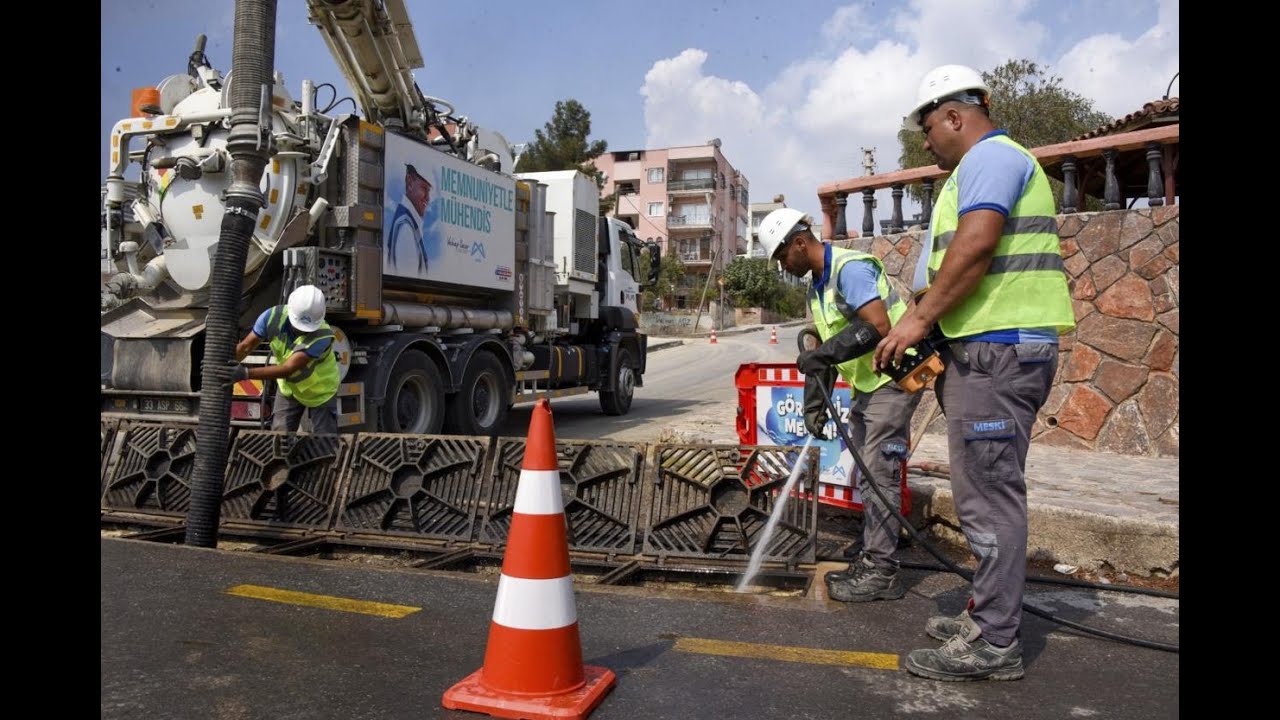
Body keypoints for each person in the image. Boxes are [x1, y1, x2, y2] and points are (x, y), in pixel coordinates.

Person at [873, 64, 1076, 682]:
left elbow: (977, 245)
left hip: (998, 354)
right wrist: (932, 329)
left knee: (989, 496)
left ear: (955, 116)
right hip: (991, 350)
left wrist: (916, 321)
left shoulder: (991, 159)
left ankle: (995, 641)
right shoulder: (988, 163)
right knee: (985, 490)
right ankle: (988, 613)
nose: (927, 143)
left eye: (928, 129)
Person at [757, 208, 922, 604]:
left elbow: (878, 326)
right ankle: (874, 545)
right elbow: (828, 352)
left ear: (800, 242)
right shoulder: (818, 287)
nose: (783, 265)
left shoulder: (849, 269)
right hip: (870, 383)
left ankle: (881, 570)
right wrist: (815, 402)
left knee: (878, 472)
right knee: (866, 471)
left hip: (894, 378)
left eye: (782, 256)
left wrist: (823, 356)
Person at [229, 284, 341, 434]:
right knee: (280, 437)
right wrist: (221, 363)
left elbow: (288, 369)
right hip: (289, 390)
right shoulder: (271, 317)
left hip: (320, 392)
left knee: (324, 443)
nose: (301, 329)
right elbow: (245, 347)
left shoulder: (322, 336)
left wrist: (245, 373)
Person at [386, 163, 432, 274]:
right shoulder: (406, 228)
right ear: (410, 183)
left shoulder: (408, 222)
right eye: (424, 189)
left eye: (429, 191)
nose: (428, 198)